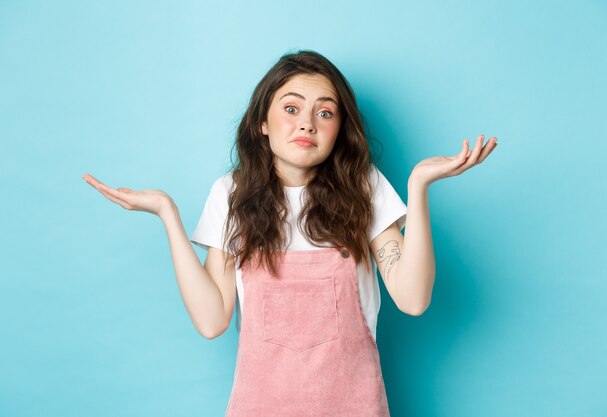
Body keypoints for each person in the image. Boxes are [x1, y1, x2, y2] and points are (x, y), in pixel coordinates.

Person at [83, 49, 497, 416]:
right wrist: (167, 214)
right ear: (262, 122)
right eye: (292, 108)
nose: (308, 124)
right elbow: (212, 321)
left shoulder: (364, 187)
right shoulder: (231, 194)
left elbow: (413, 299)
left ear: (340, 129)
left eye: (325, 112)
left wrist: (419, 185)